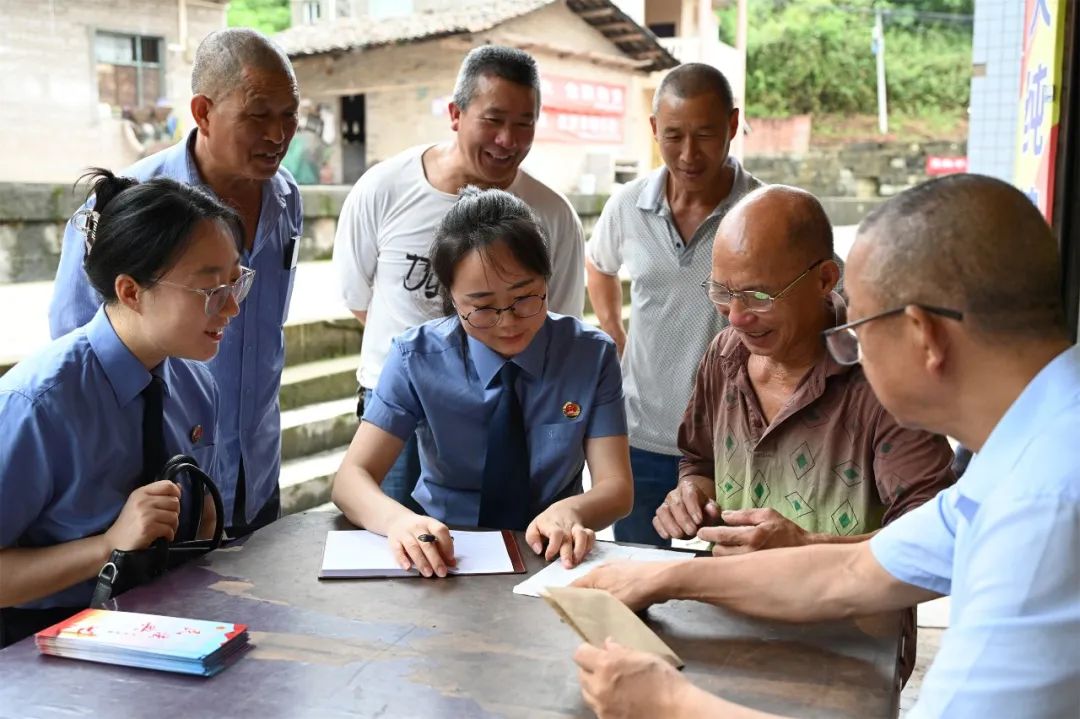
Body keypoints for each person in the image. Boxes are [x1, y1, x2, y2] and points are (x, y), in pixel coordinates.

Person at [572, 174, 1080, 718]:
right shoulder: (1035, 442)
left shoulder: (1042, 505)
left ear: (923, 335)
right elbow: (853, 572)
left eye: (859, 325)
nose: (848, 344)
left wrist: (668, 704)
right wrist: (664, 577)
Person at [48, 28, 302, 537]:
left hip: (255, 465)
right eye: (258, 116)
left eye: (289, 115)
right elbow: (75, 341)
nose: (278, 134)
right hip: (160, 483)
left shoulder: (286, 197)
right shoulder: (129, 204)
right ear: (203, 112)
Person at [0, 169, 250, 647]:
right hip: (42, 644)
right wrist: (107, 546)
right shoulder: (37, 405)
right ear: (131, 291)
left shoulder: (197, 385)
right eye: (210, 290)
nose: (231, 308)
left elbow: (202, 521)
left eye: (236, 282)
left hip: (165, 623)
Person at [333, 45, 586, 513]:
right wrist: (430, 366)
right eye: (493, 120)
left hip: (507, 407)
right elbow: (356, 294)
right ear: (455, 113)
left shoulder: (552, 214)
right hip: (395, 408)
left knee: (505, 542)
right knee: (392, 536)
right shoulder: (384, 188)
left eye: (524, 123)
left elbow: (560, 317)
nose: (508, 140)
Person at [331, 187, 631, 577]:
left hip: (553, 555)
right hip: (446, 553)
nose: (508, 322)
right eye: (483, 307)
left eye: (525, 298)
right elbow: (350, 480)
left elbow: (616, 487)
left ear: (547, 278)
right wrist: (399, 521)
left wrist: (572, 510)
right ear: (452, 297)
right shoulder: (415, 358)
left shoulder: (590, 355)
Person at [656, 185, 954, 553]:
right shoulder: (724, 354)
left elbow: (931, 537)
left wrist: (806, 546)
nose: (736, 317)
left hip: (842, 595)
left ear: (824, 279)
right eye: (722, 292)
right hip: (725, 587)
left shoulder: (884, 378)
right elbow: (701, 462)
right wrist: (690, 494)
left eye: (759, 296)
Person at [585, 63, 763, 546]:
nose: (688, 154)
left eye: (705, 134)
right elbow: (598, 263)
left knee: (734, 573)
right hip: (641, 434)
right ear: (653, 129)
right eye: (673, 136)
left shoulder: (764, 212)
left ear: (732, 125)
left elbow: (832, 291)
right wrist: (613, 331)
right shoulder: (627, 206)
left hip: (738, 442)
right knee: (638, 568)